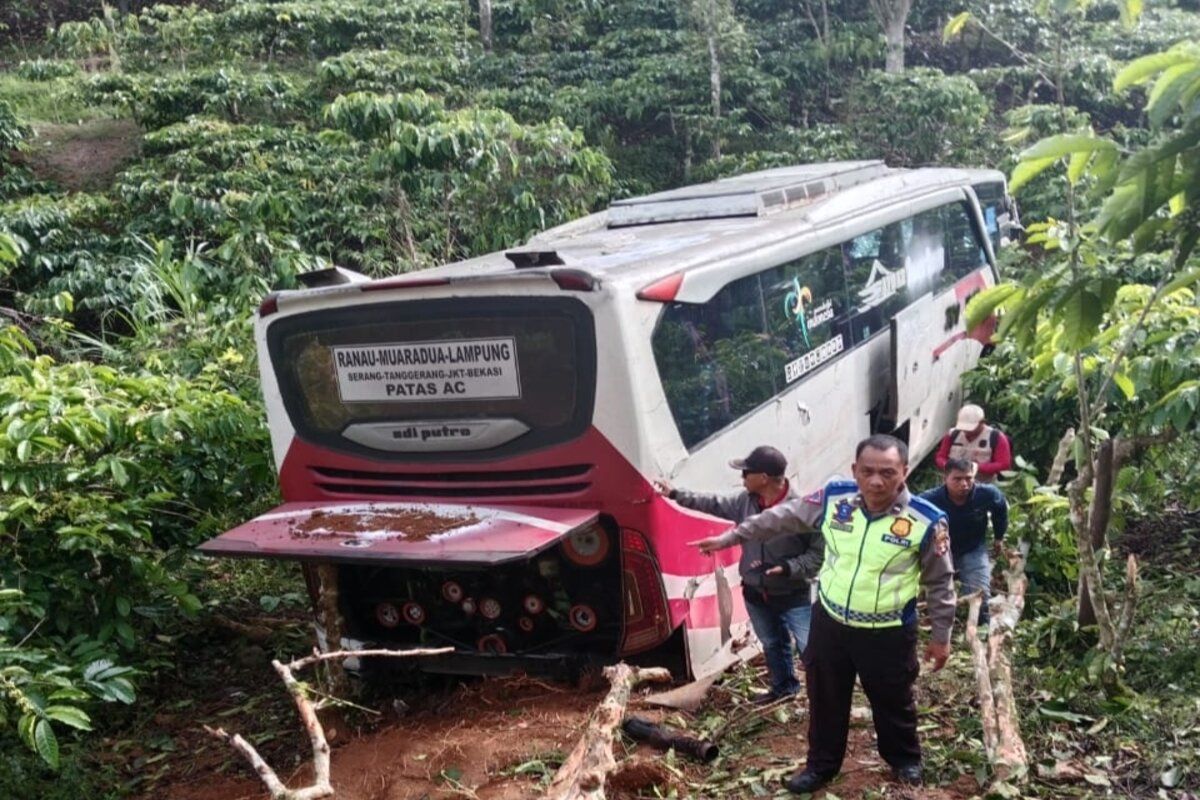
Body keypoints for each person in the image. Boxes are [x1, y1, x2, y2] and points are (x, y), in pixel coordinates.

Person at [692, 434, 955, 792]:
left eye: (888, 473)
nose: (876, 481)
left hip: (888, 631)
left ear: (904, 472)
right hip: (830, 623)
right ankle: (821, 766)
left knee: (893, 698)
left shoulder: (926, 521)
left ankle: (904, 760)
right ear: (855, 471)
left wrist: (941, 638)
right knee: (825, 697)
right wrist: (733, 537)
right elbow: (781, 518)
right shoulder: (834, 499)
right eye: (868, 471)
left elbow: (941, 584)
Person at [658, 445, 822, 702]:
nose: (742, 478)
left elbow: (817, 556)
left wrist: (789, 568)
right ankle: (784, 688)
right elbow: (711, 502)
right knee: (771, 643)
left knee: (811, 650)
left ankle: (825, 699)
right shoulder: (744, 502)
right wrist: (676, 494)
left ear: (763, 478)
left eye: (746, 472)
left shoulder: (802, 510)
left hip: (793, 593)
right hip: (756, 591)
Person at [919, 458, 1008, 626]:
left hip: (972, 549)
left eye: (968, 478)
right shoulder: (929, 499)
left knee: (979, 597)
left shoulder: (987, 494)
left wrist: (999, 537)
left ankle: (982, 632)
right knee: (938, 598)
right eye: (957, 479)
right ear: (945, 479)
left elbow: (1000, 510)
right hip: (940, 551)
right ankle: (940, 629)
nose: (964, 484)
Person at [934, 403, 1012, 483]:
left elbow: (1004, 465)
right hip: (953, 484)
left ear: (982, 422)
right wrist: (948, 465)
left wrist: (976, 467)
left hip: (983, 484)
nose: (966, 431)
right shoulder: (952, 434)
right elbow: (940, 456)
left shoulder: (996, 437)